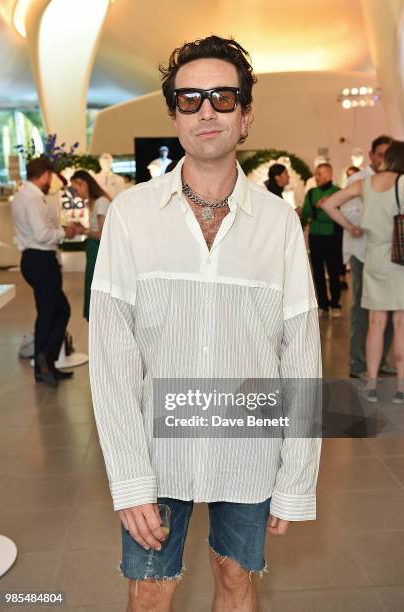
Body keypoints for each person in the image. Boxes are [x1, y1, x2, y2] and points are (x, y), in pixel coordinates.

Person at [89, 35, 321, 612]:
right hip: (156, 448)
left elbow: (302, 353)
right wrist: (128, 478)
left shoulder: (278, 223)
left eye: (223, 97)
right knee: (148, 591)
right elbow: (112, 354)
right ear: (174, 114)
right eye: (190, 99)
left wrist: (297, 477)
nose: (207, 111)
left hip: (249, 445)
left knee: (236, 580)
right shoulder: (132, 216)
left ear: (245, 116)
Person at [321, 140, 404, 404]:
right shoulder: (403, 182)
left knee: (375, 324)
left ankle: (370, 385)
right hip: (400, 258)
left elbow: (328, 204)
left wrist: (351, 227)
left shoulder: (365, 184)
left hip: (374, 258)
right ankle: (401, 389)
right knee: (401, 325)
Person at [12, 157, 80, 387]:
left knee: (54, 311)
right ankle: (44, 360)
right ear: (43, 175)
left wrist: (58, 229)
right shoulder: (31, 199)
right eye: (49, 176)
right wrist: (64, 233)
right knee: (54, 312)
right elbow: (41, 234)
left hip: (34, 258)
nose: (50, 181)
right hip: (40, 259)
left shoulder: (24, 195)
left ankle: (46, 364)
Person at [338, 135, 395, 378]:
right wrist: (370, 219)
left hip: (390, 255)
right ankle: (357, 364)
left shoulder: (395, 180)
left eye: (388, 155)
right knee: (363, 312)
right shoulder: (358, 179)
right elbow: (345, 209)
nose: (384, 160)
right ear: (371, 156)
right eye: (381, 154)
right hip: (363, 253)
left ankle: (381, 360)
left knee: (391, 311)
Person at [300, 163, 342, 317]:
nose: (316, 177)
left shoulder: (338, 192)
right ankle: (323, 305)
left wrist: (319, 212)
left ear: (330, 175)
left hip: (333, 237)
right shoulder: (311, 193)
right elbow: (305, 213)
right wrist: (318, 208)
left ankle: (336, 304)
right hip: (315, 237)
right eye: (316, 174)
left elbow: (338, 216)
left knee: (334, 271)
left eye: (320, 174)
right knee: (317, 273)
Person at [70, 170, 111, 321]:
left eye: (75, 189)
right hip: (94, 249)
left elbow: (103, 234)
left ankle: (99, 319)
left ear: (85, 184)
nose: (75, 193)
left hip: (98, 250)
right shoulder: (96, 203)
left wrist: (84, 231)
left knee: (96, 286)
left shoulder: (101, 202)